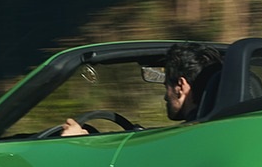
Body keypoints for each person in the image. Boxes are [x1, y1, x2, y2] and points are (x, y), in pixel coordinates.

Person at [57, 41, 224, 135]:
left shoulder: (186, 136)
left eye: (166, 86)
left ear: (180, 86)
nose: (165, 97)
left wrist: (77, 143)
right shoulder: (217, 129)